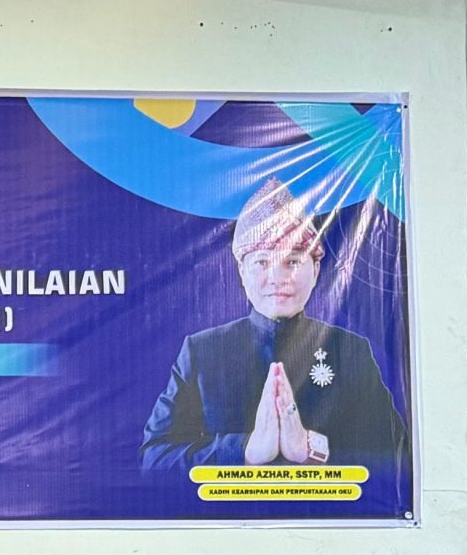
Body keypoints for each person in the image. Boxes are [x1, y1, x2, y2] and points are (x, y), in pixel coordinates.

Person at [140, 179, 405, 472]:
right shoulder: (202, 351)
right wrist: (245, 450)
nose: (278, 279)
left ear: (316, 269)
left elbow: (397, 454)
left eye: (292, 262)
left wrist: (311, 448)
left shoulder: (350, 350)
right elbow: (154, 458)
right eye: (262, 263)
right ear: (242, 272)